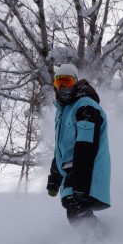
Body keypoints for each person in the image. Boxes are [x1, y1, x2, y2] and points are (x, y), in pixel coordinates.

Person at [46, 63, 111, 229]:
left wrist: (80, 182)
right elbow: (61, 149)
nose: (62, 87)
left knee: (77, 209)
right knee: (73, 209)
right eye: (58, 83)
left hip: (87, 172)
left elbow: (86, 146)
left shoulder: (86, 106)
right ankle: (98, 243)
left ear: (75, 83)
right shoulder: (63, 112)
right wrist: (55, 178)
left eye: (66, 82)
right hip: (72, 173)